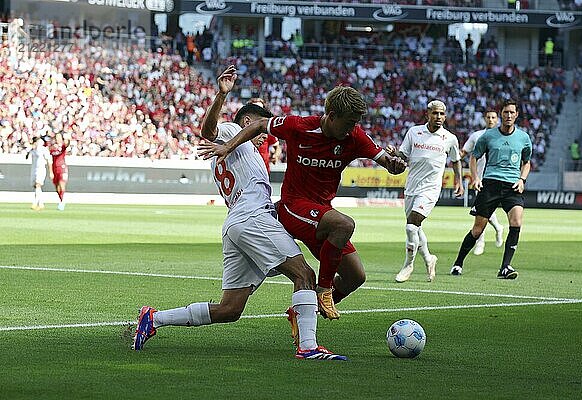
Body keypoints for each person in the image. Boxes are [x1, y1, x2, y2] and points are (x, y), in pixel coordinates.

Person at [133, 65, 346, 360]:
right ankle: (308, 346)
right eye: (262, 126)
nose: (266, 135)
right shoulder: (235, 133)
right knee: (305, 275)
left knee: (230, 309)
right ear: (247, 121)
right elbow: (208, 131)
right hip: (251, 217)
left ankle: (153, 318)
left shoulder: (244, 152)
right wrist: (221, 95)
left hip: (237, 223)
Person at [199, 85, 406, 320]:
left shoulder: (355, 136)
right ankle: (323, 290)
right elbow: (258, 124)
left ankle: (304, 311)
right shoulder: (300, 126)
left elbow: (386, 160)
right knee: (344, 225)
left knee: (355, 277)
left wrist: (395, 163)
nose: (352, 129)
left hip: (320, 214)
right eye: (349, 122)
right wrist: (227, 146)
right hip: (293, 207)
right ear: (332, 116)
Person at [450, 99, 532, 279]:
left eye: (512, 112)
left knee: (516, 222)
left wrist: (522, 179)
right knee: (478, 229)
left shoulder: (524, 138)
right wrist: (475, 177)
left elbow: (527, 163)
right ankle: (458, 263)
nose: (509, 115)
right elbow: (473, 157)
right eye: (505, 112)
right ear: (501, 114)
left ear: (516, 115)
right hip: (491, 184)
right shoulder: (487, 136)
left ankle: (505, 267)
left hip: (512, 186)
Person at [389, 100, 464, 283]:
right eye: (435, 113)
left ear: (445, 117)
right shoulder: (414, 132)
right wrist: (394, 153)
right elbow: (403, 155)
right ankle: (429, 258)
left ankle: (408, 265)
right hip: (412, 186)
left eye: (441, 114)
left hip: (430, 189)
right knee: (416, 228)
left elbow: (455, 160)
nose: (438, 117)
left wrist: (459, 181)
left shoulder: (450, 138)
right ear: (427, 114)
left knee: (411, 226)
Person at [461, 110, 504, 256]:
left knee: (485, 211)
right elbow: (465, 152)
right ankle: (482, 241)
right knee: (481, 212)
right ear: (484, 119)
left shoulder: (503, 137)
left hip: (496, 178)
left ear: (497, 119)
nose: (491, 120)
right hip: (480, 179)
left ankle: (497, 229)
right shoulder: (477, 136)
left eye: (493, 117)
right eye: (489, 117)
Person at [247, 98, 281, 173]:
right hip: (247, 171)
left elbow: (277, 147)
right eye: (255, 108)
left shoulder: (267, 128)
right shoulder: (241, 128)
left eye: (260, 109)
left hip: (263, 172)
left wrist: (275, 156)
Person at [26, 137, 53, 211]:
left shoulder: (43, 150)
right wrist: (30, 150)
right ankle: (41, 204)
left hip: (41, 169)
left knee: (38, 184)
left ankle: (35, 203)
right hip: (33, 169)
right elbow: (26, 157)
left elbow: (49, 160)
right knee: (36, 186)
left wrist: (51, 172)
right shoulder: (32, 150)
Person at [48, 133, 70, 211]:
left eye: (59, 137)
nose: (57, 139)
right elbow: (49, 157)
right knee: (57, 187)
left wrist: (68, 139)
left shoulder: (62, 146)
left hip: (62, 167)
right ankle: (61, 199)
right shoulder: (52, 148)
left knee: (62, 184)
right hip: (54, 169)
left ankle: (62, 201)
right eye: (56, 137)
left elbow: (67, 144)